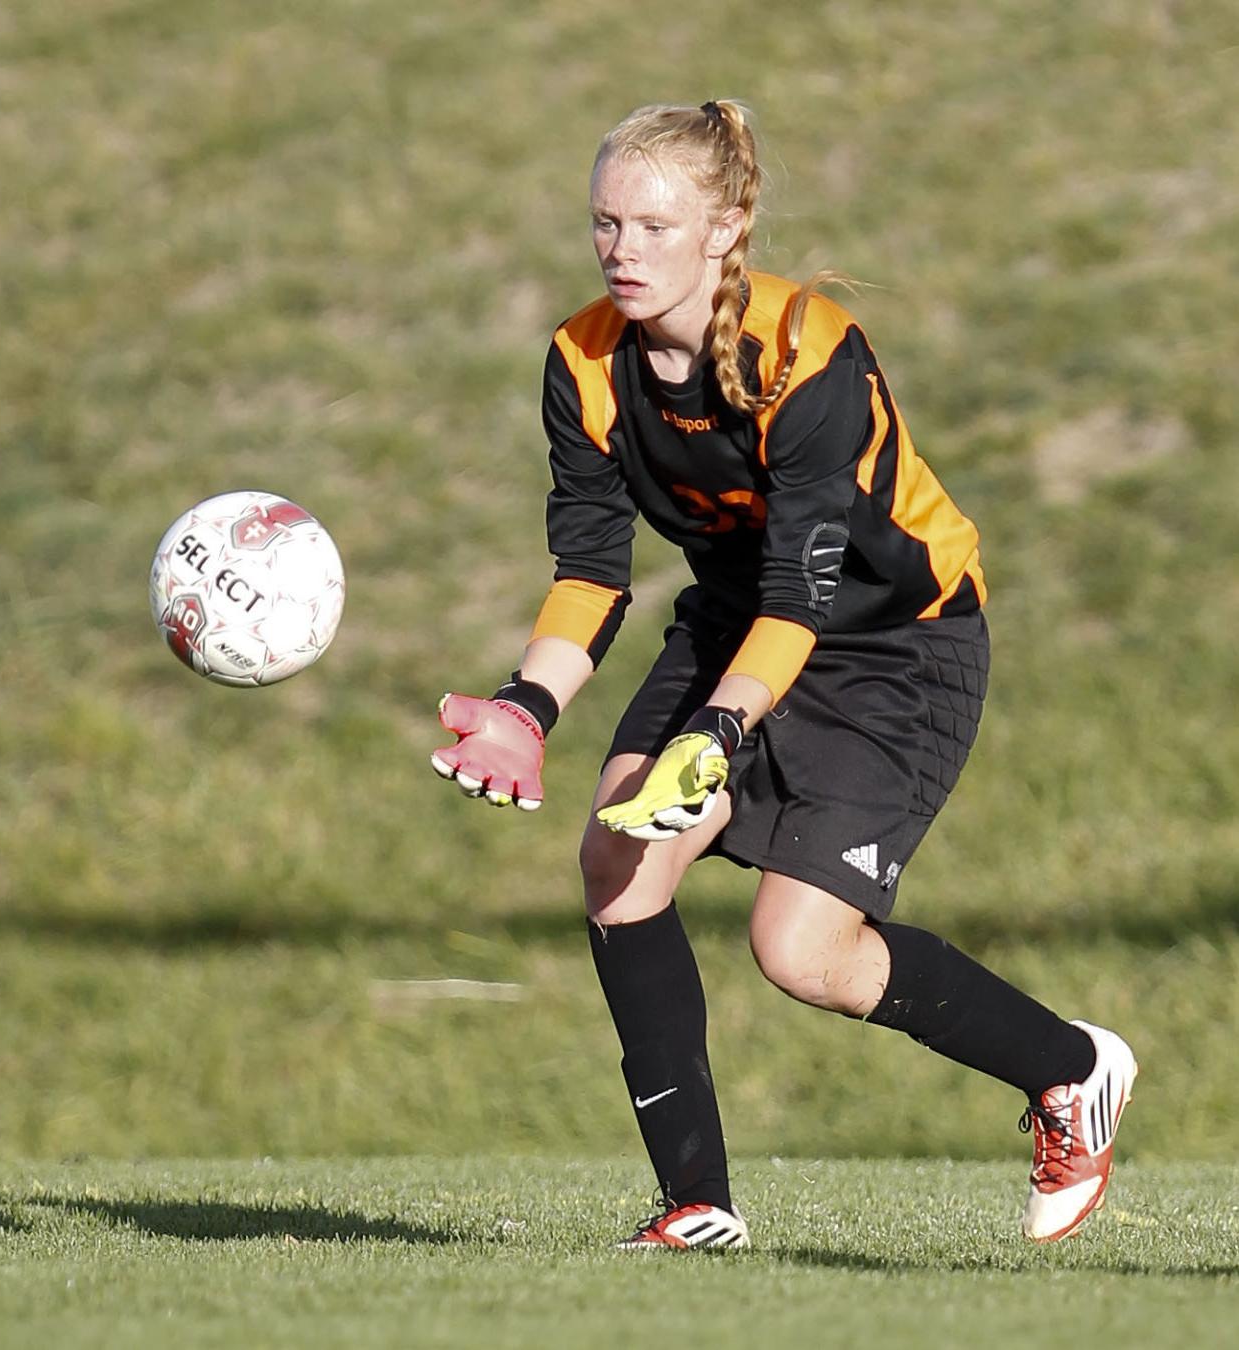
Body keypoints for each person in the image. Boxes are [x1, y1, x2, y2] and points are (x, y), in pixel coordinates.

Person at [431, 100, 1136, 1251]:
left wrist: (714, 735)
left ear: (725, 228)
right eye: (605, 223)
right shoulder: (582, 360)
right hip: (736, 621)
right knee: (617, 856)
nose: (621, 249)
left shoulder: (807, 351)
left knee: (801, 952)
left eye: (653, 225)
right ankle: (695, 1204)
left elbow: (807, 594)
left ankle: (1070, 1071)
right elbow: (591, 571)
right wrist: (526, 706)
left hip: (898, 641)